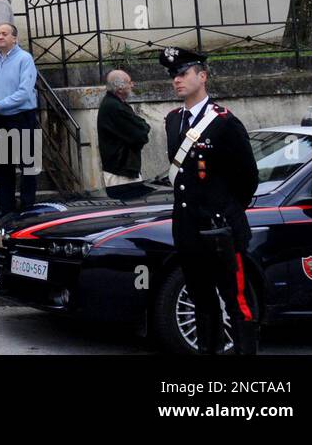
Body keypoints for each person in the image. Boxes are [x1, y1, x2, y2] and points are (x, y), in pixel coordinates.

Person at [160, 47, 259, 355]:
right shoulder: (173, 120)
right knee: (202, 301)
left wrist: (224, 211)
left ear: (202, 76)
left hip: (220, 230)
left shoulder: (224, 122)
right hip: (188, 230)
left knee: (236, 301)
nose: (177, 80)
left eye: (183, 73)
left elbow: (247, 178)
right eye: (173, 75)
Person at [0, 23, 38, 218]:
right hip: (0, 119)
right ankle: (5, 207)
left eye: (4, 34)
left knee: (27, 164)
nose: (0, 37)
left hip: (22, 117)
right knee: (2, 166)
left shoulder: (25, 59)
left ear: (15, 38)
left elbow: (24, 92)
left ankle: (27, 206)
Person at [97, 69, 149, 187]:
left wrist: (142, 126)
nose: (132, 85)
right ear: (119, 88)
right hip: (120, 174)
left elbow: (141, 126)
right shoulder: (114, 107)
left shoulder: (116, 104)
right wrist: (143, 127)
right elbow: (140, 135)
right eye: (129, 82)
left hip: (123, 171)